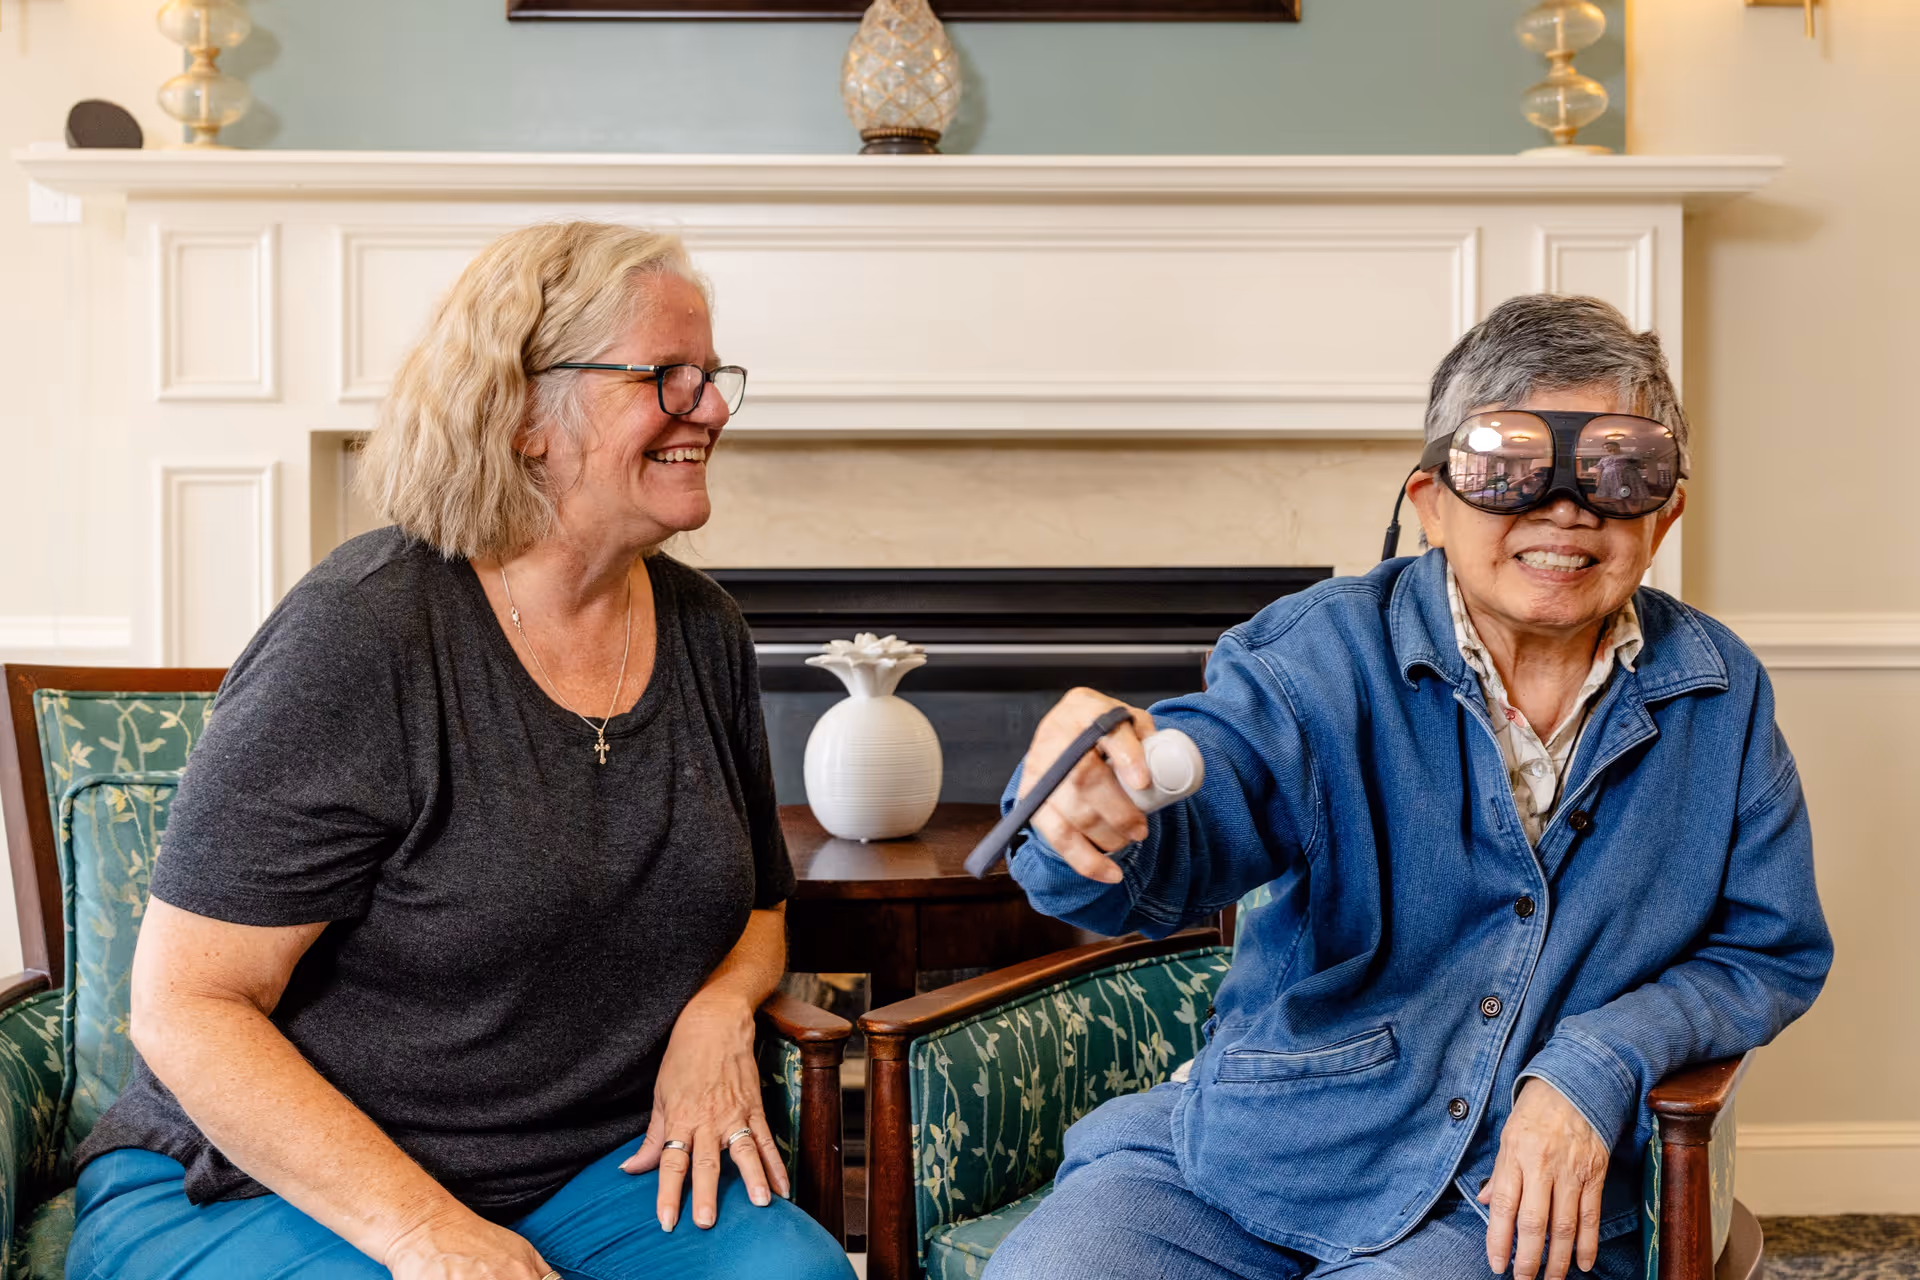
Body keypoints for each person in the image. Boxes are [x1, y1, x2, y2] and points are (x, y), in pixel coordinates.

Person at [65, 223, 856, 1280]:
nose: (708, 407)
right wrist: (422, 1231)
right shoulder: (363, 632)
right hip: (260, 1182)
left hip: (580, 1174)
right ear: (527, 413)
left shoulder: (707, 631)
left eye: (712, 376)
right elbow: (186, 1003)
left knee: (797, 1273)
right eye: (666, 377)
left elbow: (760, 905)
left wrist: (718, 1012)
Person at [983, 295, 1831, 1280]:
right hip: (1254, 1153)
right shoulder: (1319, 648)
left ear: (1665, 509)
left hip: (1509, 1203)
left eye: (1616, 470)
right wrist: (1093, 809)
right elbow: (1200, 803)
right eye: (1508, 468)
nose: (1564, 508)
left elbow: (1769, 946)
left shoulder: (1720, 694)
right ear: (1431, 501)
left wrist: (1601, 1058)